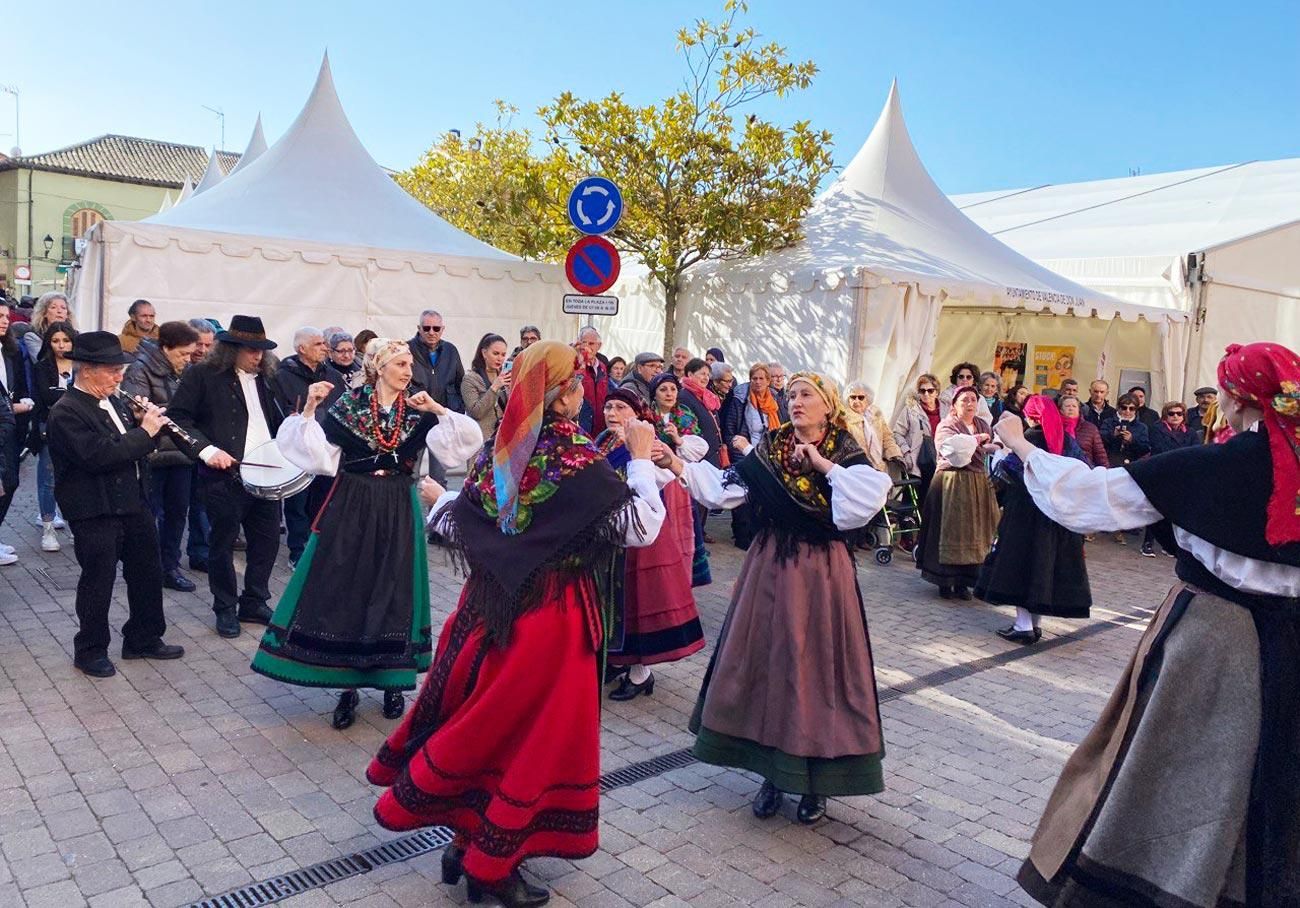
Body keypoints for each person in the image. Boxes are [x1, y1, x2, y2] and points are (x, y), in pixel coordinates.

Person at [1001, 341, 1300, 908]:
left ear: (1235, 398)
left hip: (1211, 643)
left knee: (1176, 771)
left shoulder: (1207, 466)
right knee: (1272, 772)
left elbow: (1088, 498)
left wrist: (1019, 443)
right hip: (1291, 646)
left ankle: (1154, 886)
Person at [368, 341, 666, 907]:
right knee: (530, 738)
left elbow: (468, 526)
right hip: (550, 619)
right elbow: (641, 528)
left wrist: (441, 501)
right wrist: (644, 459)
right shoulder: (576, 460)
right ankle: (492, 865)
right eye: (576, 383)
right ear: (562, 400)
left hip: (486, 610)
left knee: (487, 724)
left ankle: (466, 841)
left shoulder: (497, 454)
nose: (584, 392)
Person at [671, 372, 892, 825]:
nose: (796, 402)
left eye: (806, 394)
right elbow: (727, 487)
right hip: (770, 566)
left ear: (828, 404)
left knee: (817, 671)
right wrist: (675, 466)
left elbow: (867, 499)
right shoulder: (770, 446)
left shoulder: (845, 450)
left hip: (822, 572)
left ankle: (816, 782)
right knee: (770, 663)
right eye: (790, 395)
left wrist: (822, 465)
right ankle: (773, 774)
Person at [253, 340, 484, 728]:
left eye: (410, 363)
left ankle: (393, 681)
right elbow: (316, 454)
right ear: (379, 367)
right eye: (400, 363)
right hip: (354, 503)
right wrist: (309, 406)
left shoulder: (418, 409)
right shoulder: (350, 406)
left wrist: (439, 408)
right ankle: (348, 688)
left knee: (395, 589)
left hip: (398, 502)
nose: (408, 370)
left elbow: (464, 443)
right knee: (351, 588)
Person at [46, 331, 185, 677]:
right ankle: (90, 649)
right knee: (99, 580)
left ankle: (143, 637)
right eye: (112, 370)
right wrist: (146, 432)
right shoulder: (66, 411)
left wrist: (143, 423)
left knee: (147, 572)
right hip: (94, 509)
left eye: (120, 369)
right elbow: (100, 455)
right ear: (87, 370)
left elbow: (130, 447)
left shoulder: (116, 400)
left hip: (132, 503)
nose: (119, 376)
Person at [168, 315, 286, 639]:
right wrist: (207, 451)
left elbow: (278, 420)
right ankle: (225, 607)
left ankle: (255, 600)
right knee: (222, 543)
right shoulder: (203, 375)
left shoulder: (268, 377)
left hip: (266, 473)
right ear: (232, 348)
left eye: (261, 349)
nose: (258, 356)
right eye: (251, 350)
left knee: (266, 542)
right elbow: (177, 419)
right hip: (226, 474)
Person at [598, 386, 706, 700]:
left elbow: (662, 480)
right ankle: (617, 660)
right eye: (609, 407)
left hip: (644, 540)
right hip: (612, 539)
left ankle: (640, 673)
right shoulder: (602, 441)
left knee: (638, 603)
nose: (612, 414)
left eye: (620, 408)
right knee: (612, 604)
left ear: (637, 415)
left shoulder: (651, 446)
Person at [977, 395, 1091, 644]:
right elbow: (1082, 471)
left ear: (1029, 416)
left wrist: (1000, 456)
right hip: (1057, 516)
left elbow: (1007, 472)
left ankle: (1023, 625)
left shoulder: (1028, 439)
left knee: (1021, 566)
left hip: (1025, 515)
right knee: (1043, 566)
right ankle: (1035, 624)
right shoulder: (1067, 441)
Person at [122, 321, 201, 592]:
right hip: (153, 455)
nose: (188, 359)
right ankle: (148, 567)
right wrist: (172, 412)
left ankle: (170, 566)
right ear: (166, 348)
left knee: (178, 513)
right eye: (183, 354)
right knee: (150, 516)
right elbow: (137, 411)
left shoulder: (187, 371)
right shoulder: (139, 369)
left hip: (181, 453)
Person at [915, 386, 1001, 599]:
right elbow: (953, 450)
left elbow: (995, 442)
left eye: (973, 399)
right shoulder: (948, 425)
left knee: (974, 532)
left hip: (977, 482)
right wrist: (978, 441)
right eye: (964, 400)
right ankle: (945, 581)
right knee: (949, 529)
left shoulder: (982, 424)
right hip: (951, 482)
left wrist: (994, 444)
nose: (970, 404)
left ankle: (964, 582)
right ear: (954, 404)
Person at [275, 327, 346, 568]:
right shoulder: (283, 375)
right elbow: (279, 411)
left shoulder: (333, 375)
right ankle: (298, 550)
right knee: (297, 503)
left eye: (324, 343)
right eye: (318, 344)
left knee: (324, 500)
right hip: (299, 450)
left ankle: (318, 547)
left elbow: (344, 405)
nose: (325, 347)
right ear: (301, 349)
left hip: (328, 447)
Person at [720, 363, 787, 550]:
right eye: (754, 378)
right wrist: (737, 454)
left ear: (768, 381)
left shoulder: (774, 400)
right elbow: (731, 428)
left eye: (762, 379)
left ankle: (758, 533)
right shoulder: (740, 399)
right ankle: (741, 535)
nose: (758, 382)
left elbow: (782, 426)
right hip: (744, 454)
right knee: (742, 494)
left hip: (768, 454)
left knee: (760, 495)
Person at [28, 321, 76, 551]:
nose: (61, 345)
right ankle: (48, 527)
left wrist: (62, 394)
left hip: (78, 429)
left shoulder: (80, 365)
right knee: (48, 479)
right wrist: (70, 394)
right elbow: (46, 397)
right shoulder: (43, 366)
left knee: (76, 476)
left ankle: (77, 525)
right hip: (49, 427)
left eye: (65, 340)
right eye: (56, 341)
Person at [0, 300, 33, 557]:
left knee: (10, 482)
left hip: (9, 428)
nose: (3, 320)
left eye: (4, 316)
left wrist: (22, 403)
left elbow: (18, 385)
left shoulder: (10, 350)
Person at [460, 332, 511, 464]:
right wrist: (494, 388)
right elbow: (476, 412)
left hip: (501, 440)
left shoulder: (504, 377)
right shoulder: (470, 378)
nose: (500, 358)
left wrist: (511, 388)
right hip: (479, 441)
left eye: (503, 354)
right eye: (495, 353)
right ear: (484, 353)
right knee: (477, 480)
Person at [892, 374, 941, 502]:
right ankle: (907, 522)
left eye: (930, 390)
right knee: (911, 500)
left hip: (939, 462)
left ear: (937, 392)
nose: (926, 394)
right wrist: (906, 452)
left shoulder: (946, 410)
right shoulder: (911, 410)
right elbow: (897, 432)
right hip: (916, 462)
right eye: (922, 390)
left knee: (931, 501)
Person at [407, 309, 465, 413]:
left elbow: (460, 383)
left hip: (446, 416)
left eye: (436, 328)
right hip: (416, 416)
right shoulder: (407, 350)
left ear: (442, 329)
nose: (431, 332)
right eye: (426, 328)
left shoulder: (451, 350)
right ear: (419, 328)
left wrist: (458, 407)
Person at [21, 291, 75, 362]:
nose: (59, 311)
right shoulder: (33, 336)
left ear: (67, 314)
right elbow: (42, 361)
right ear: (44, 313)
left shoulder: (76, 335)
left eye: (63, 308)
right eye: (53, 307)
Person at [574, 327, 608, 435]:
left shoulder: (602, 367)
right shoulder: (574, 364)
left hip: (599, 426)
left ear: (599, 346)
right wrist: (581, 365)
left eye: (591, 343)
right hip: (581, 424)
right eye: (584, 342)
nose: (587, 347)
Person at [1060, 395, 1107, 467]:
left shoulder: (1090, 428)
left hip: (1084, 471)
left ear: (1079, 409)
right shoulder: (1054, 428)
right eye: (1067, 406)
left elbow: (1100, 454)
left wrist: (1105, 472)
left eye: (1074, 406)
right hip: (1061, 470)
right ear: (1061, 410)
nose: (1071, 408)